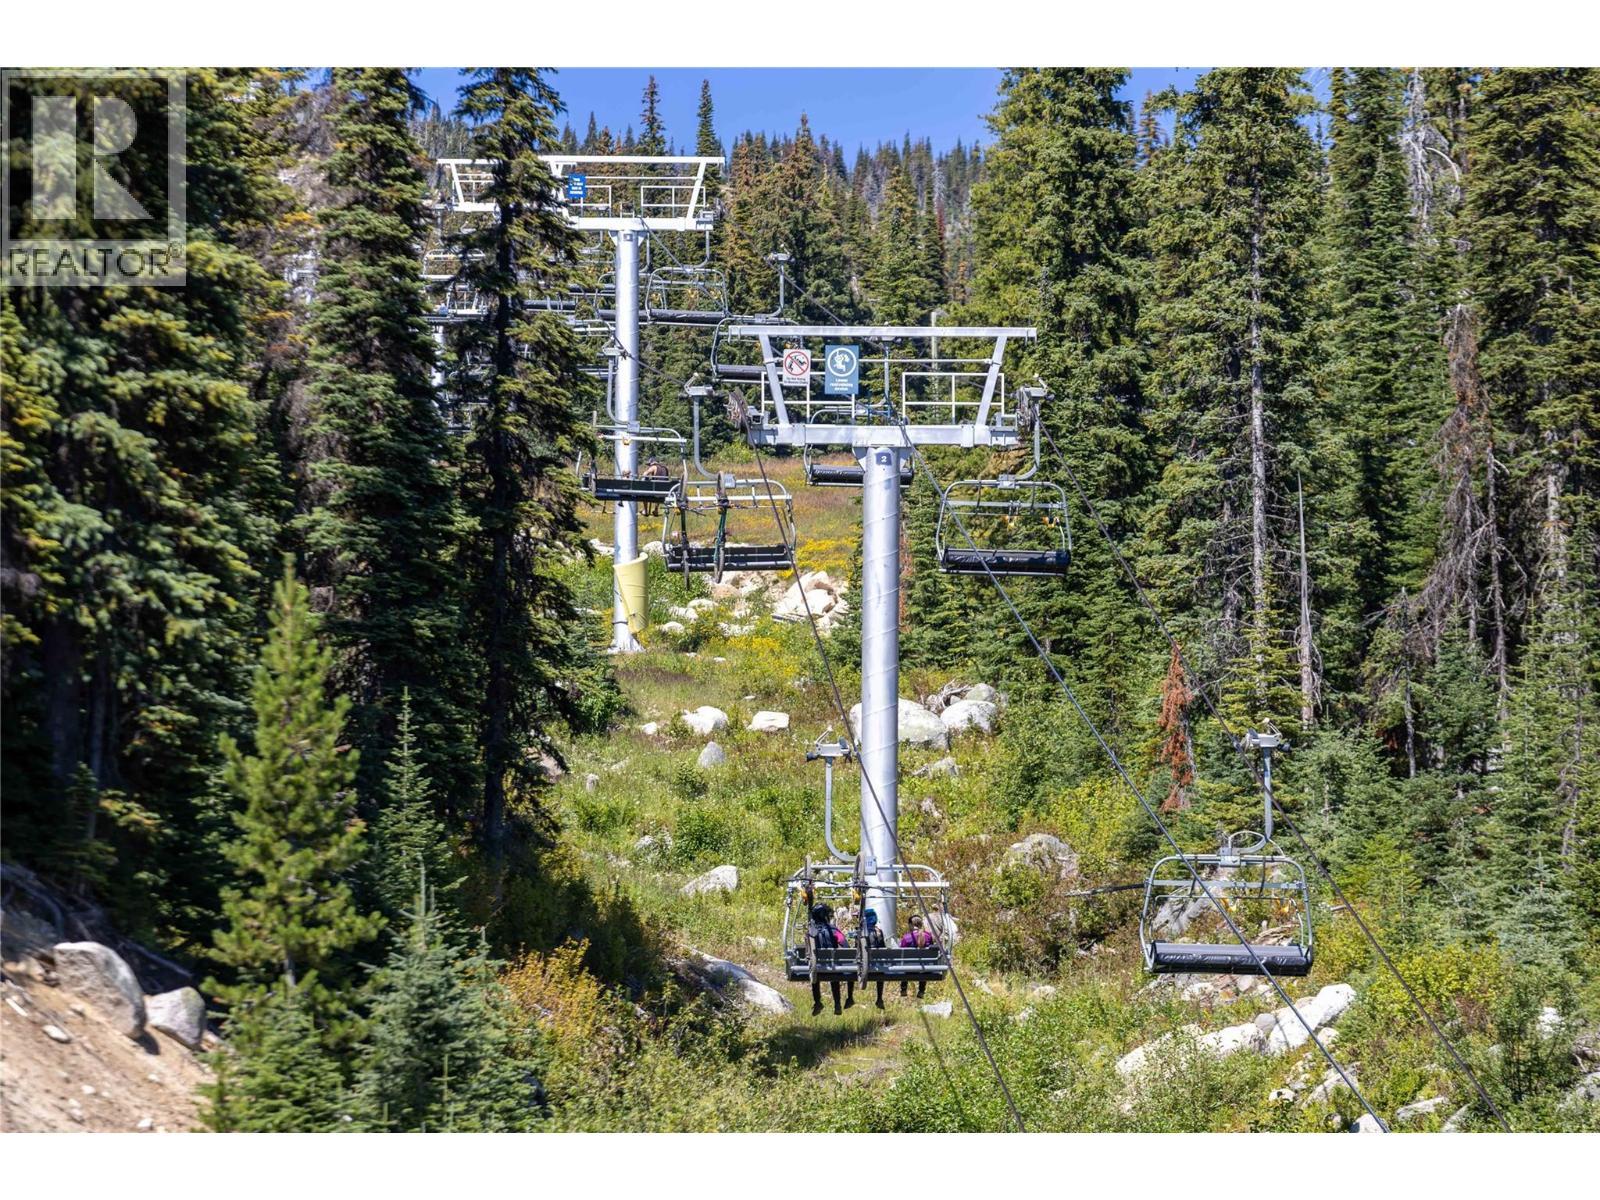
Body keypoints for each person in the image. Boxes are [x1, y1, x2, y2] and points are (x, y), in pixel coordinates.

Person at [807, 903, 847, 1016]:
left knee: (815, 976)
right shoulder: (834, 931)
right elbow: (845, 945)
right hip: (833, 967)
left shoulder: (811, 933)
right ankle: (837, 1004)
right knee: (834, 977)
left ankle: (817, 1002)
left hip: (818, 968)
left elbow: (808, 949)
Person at [850, 909, 888, 1009]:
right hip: (877, 968)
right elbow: (882, 947)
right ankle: (879, 998)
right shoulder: (879, 932)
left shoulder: (859, 932)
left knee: (850, 971)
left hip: (862, 968)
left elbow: (856, 949)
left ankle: (850, 997)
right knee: (881, 972)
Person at [898, 913, 939, 1000]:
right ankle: (921, 991)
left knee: (906, 964)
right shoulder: (928, 936)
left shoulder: (906, 938)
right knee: (924, 963)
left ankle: (903, 989)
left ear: (911, 925)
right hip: (924, 968)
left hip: (909, 969)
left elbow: (901, 952)